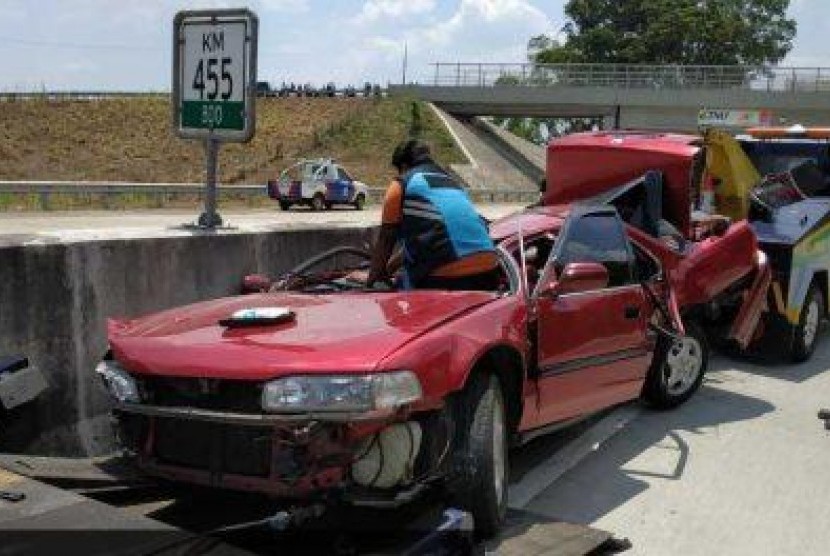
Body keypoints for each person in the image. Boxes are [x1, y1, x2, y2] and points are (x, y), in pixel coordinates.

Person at [365, 139, 500, 290]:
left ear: (403, 166)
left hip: (449, 276)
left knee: (400, 292)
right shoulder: (454, 183)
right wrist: (389, 269)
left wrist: (373, 280)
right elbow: (425, 241)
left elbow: (386, 238)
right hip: (490, 270)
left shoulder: (402, 184)